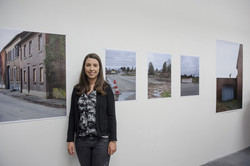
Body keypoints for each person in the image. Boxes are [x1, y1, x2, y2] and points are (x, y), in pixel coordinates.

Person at [67, 53, 117, 166]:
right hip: (81, 141)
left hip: (101, 141)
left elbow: (111, 116)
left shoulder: (106, 89)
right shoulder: (77, 90)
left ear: (99, 68)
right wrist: (70, 139)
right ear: (84, 67)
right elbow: (72, 116)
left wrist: (113, 140)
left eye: (95, 65)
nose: (91, 69)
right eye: (88, 65)